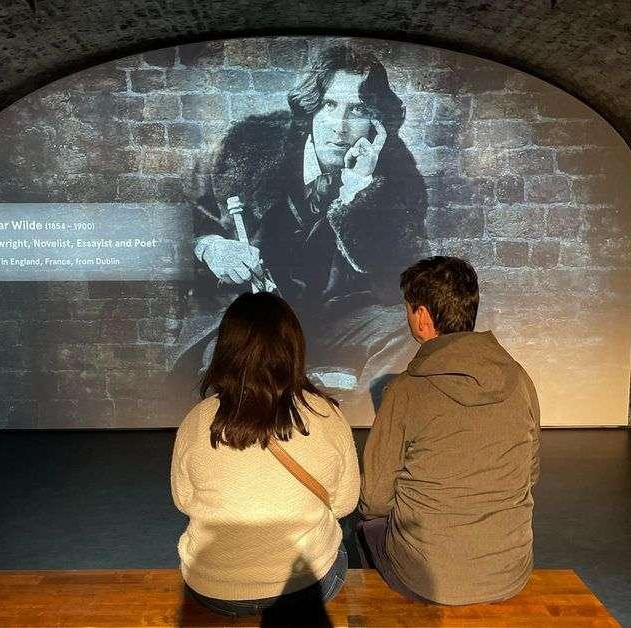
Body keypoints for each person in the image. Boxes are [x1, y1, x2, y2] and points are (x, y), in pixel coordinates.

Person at [177, 42, 429, 407]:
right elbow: (189, 227)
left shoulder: (398, 172)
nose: (339, 127)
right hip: (252, 315)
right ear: (310, 107)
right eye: (329, 105)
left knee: (409, 332)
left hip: (335, 318)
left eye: (357, 110)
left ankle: (354, 426)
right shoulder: (248, 146)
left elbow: (397, 280)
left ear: (377, 123)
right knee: (224, 369)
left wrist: (358, 194)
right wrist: (212, 248)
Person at [357, 256, 541, 605]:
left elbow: (375, 499)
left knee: (369, 525)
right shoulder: (520, 379)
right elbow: (530, 474)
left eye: (408, 309)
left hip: (426, 580)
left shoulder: (405, 390)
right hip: (509, 572)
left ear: (423, 317)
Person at [170, 291, 360, 618]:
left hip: (214, 588)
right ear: (294, 348)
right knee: (339, 547)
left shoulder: (198, 419)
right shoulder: (326, 414)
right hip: (303, 586)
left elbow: (184, 500)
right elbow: (344, 503)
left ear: (225, 349)